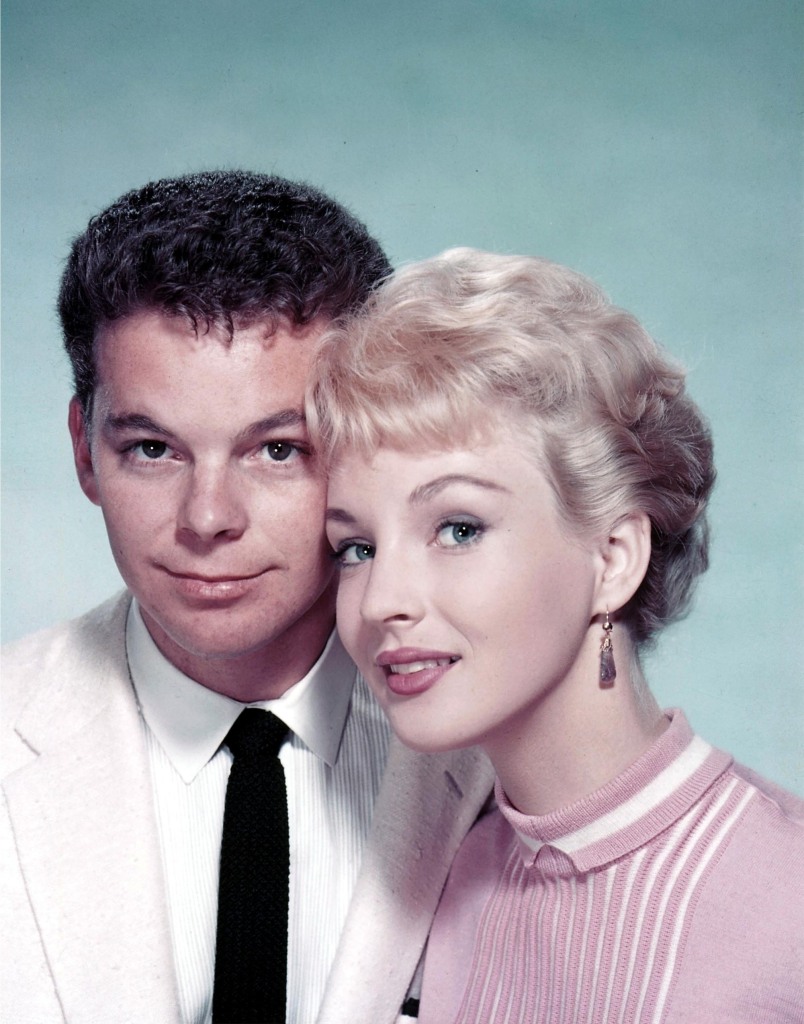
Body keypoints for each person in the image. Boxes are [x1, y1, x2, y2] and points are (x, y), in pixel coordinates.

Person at [0, 174, 494, 1024]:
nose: (208, 519)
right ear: (85, 450)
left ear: (367, 442)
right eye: (153, 448)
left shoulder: (498, 756)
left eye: (276, 451)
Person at [306, 247, 804, 1023]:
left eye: (458, 528)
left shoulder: (785, 902)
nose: (381, 603)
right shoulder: (446, 879)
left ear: (612, 559)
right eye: (358, 548)